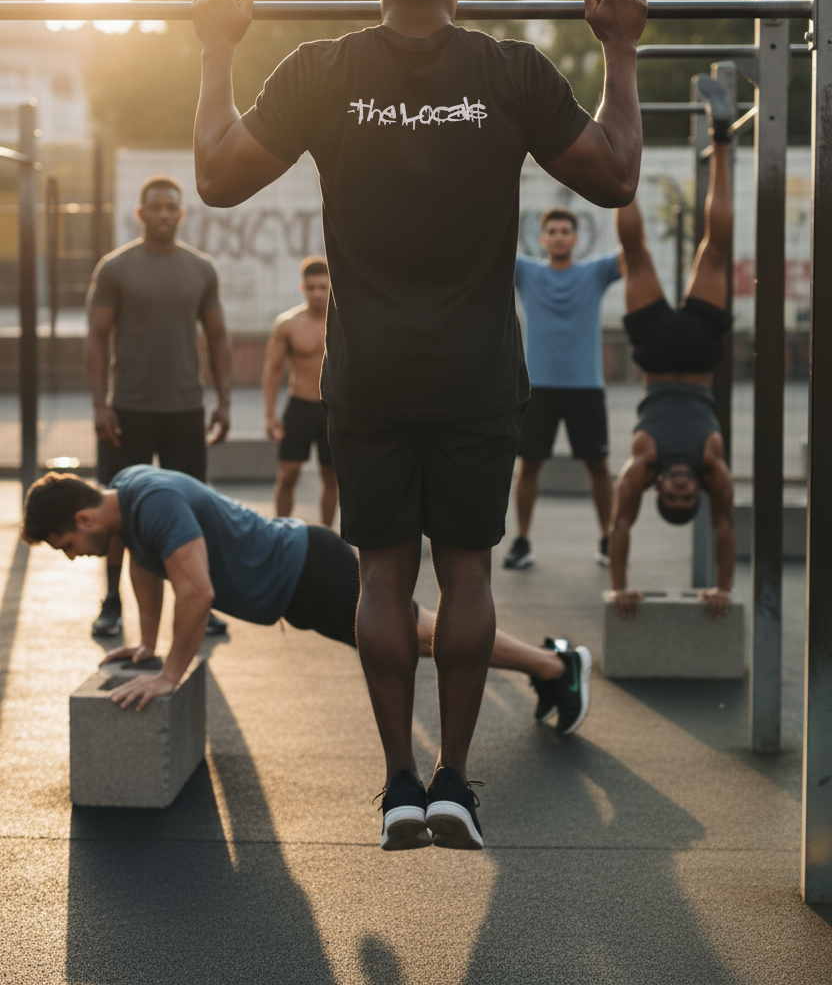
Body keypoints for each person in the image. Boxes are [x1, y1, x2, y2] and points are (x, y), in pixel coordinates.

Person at [188, 0, 646, 849]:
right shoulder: (511, 71)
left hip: (371, 377)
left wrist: (217, 48)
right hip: (476, 375)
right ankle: (453, 785)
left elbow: (218, 177)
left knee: (384, 577)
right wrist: (620, 49)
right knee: (467, 573)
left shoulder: (321, 70)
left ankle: (400, 781)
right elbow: (614, 174)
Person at [21, 466, 593, 849]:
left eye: (66, 546)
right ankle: (554, 664)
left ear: (85, 519)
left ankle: (557, 667)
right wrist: (148, 644)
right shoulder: (128, 498)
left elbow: (195, 592)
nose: (72, 557)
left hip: (309, 570)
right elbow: (146, 567)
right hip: (298, 578)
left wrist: (170, 675)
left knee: (422, 637)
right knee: (421, 636)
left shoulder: (154, 503)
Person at [85, 175, 232, 640]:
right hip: (128, 410)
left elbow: (218, 336)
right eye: (157, 207)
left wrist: (224, 400)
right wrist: (100, 405)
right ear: (141, 213)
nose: (165, 214)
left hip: (185, 409)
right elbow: (96, 337)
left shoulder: (201, 268)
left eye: (172, 208)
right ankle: (112, 602)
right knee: (116, 510)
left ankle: (201, 601)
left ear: (181, 214)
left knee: (192, 509)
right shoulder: (115, 268)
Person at [608, 134, 735, 621]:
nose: (680, 488)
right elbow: (725, 527)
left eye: (671, 494)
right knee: (716, 251)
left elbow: (620, 526)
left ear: (657, 488)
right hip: (700, 354)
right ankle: (721, 142)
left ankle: (622, 167)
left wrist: (620, 589)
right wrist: (722, 588)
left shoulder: (642, 465)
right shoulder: (712, 468)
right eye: (687, 495)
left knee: (635, 253)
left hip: (657, 353)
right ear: (697, 491)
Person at [504, 207, 621, 571]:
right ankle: (523, 541)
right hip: (538, 389)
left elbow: (633, 250)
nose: (558, 237)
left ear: (575, 238)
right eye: (552, 231)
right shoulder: (526, 272)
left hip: (585, 387)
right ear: (542, 239)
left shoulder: (595, 273)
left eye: (565, 231)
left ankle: (609, 539)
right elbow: (494, 244)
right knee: (529, 465)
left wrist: (624, 198)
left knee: (599, 466)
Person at [262, 257, 337, 525]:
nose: (317, 293)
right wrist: (270, 414)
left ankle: (327, 534)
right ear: (303, 288)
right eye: (312, 287)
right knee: (288, 473)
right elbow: (273, 369)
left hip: (332, 408)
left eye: (323, 287)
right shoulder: (288, 323)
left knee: (331, 476)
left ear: (331, 287)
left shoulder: (343, 322)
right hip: (299, 406)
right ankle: (281, 533)